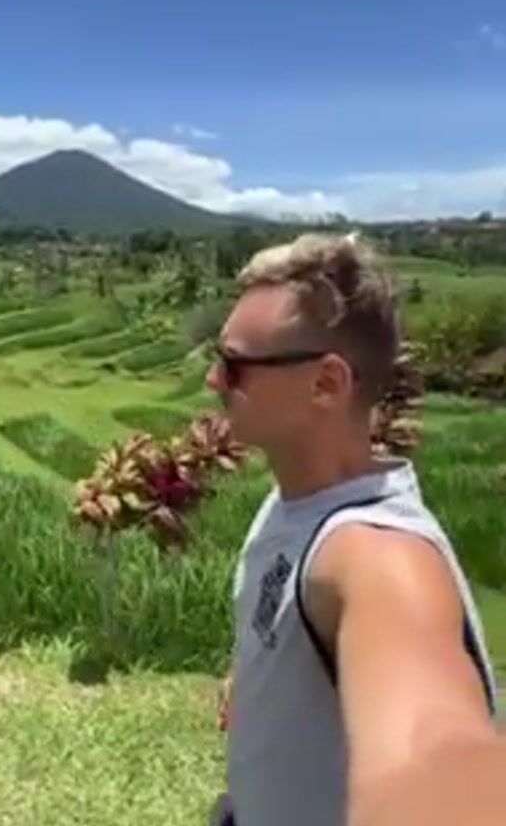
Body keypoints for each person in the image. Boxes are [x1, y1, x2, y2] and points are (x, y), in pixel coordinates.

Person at [206, 233, 499, 826]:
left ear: (327, 384)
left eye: (235, 366)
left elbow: (435, 761)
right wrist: (261, 679)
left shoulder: (377, 556)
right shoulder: (294, 500)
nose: (214, 381)